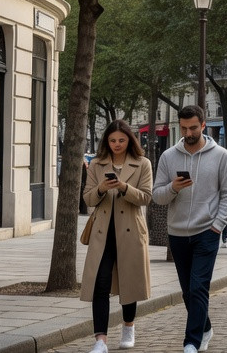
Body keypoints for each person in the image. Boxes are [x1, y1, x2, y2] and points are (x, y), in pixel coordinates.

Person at [152, 105, 227, 353]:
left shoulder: (220, 156)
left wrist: (217, 227)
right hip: (177, 234)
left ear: (203, 125)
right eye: (184, 128)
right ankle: (205, 327)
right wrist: (174, 187)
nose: (188, 133)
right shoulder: (168, 156)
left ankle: (191, 342)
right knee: (188, 291)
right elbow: (157, 196)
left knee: (199, 287)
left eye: (193, 128)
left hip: (207, 232)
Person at [81, 120, 152, 353]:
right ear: (106, 141)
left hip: (131, 231)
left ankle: (128, 326)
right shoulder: (96, 164)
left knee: (129, 282)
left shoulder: (143, 163)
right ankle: (100, 340)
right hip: (103, 234)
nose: (117, 144)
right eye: (112, 140)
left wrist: (123, 187)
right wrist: (102, 188)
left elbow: (146, 197)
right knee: (100, 284)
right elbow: (88, 198)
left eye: (121, 140)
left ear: (130, 140)